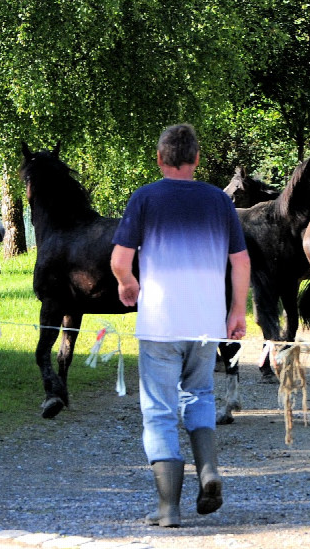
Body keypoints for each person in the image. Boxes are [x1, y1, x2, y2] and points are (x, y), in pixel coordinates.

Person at [110, 123, 251, 528]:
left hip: (160, 323)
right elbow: (239, 261)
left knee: (158, 411)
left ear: (159, 158)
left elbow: (120, 260)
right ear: (197, 159)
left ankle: (168, 508)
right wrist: (237, 310)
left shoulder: (145, 198)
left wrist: (128, 283)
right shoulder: (218, 202)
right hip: (206, 322)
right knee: (200, 395)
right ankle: (208, 470)